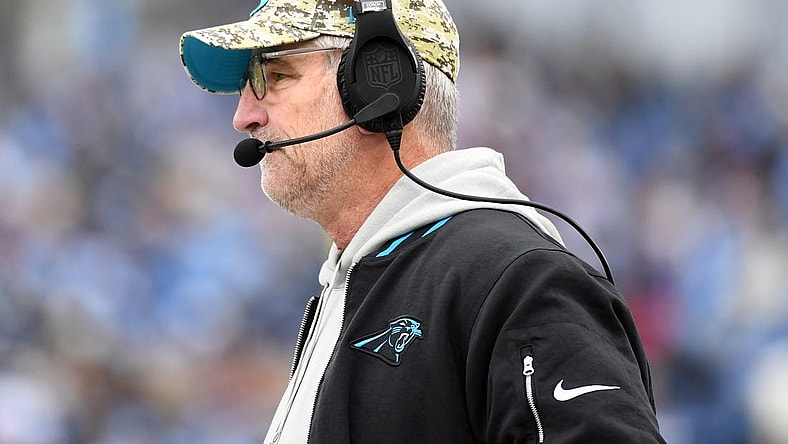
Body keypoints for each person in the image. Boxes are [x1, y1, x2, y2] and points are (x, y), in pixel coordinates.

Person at [179, 0, 667, 442]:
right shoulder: (364, 283)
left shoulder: (515, 277)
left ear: (376, 83)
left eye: (277, 75)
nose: (243, 116)